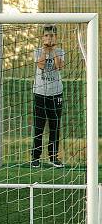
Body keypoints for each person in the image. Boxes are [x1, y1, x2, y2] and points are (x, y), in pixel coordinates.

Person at [31, 24, 66, 168]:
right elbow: (41, 65)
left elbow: (59, 66)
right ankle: (35, 158)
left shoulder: (60, 51)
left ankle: (53, 157)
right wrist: (46, 50)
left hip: (56, 93)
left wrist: (53, 50)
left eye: (51, 35)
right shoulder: (37, 51)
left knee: (55, 126)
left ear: (55, 37)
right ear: (42, 37)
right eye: (46, 35)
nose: (49, 38)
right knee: (39, 126)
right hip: (40, 93)